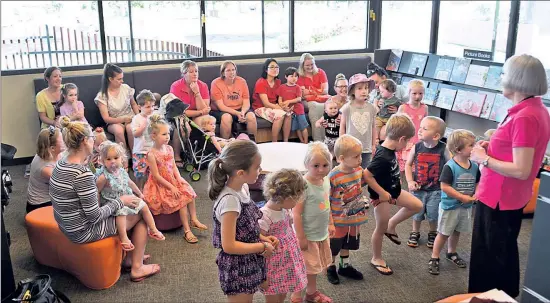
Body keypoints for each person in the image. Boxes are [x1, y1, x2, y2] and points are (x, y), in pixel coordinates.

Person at [468, 54, 550, 297]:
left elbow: (522, 169)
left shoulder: (525, 116)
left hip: (500, 199)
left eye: (504, 73)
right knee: (502, 255)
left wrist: (485, 159)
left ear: (517, 79)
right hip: (505, 196)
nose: (501, 78)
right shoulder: (532, 109)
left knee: (489, 262)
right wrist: (491, 147)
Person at [49, 116, 160, 282]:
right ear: (85, 141)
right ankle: (136, 267)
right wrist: (121, 201)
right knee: (141, 212)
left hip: (66, 224)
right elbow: (93, 216)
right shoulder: (81, 173)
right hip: (82, 231)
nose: (94, 141)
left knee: (130, 207)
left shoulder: (62, 162)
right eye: (92, 138)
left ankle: (129, 259)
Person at [207, 140, 278, 303]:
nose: (260, 171)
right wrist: (262, 247)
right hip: (237, 266)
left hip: (249, 257)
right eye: (257, 167)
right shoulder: (230, 201)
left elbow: (244, 230)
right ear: (240, 173)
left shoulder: (243, 188)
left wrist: (262, 238)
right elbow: (229, 245)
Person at [364, 114, 423, 275]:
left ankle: (392, 225)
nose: (408, 145)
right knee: (380, 228)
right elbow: (366, 175)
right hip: (382, 197)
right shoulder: (383, 155)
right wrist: (382, 193)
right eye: (408, 141)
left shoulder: (390, 150)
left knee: (417, 205)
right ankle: (376, 258)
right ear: (401, 139)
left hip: (394, 191)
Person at [142, 114, 207, 244]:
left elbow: (174, 167)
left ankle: (193, 219)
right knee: (181, 200)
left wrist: (179, 180)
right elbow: (156, 176)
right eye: (163, 134)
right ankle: (187, 231)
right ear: (153, 136)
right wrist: (171, 186)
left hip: (172, 179)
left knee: (189, 191)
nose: (167, 137)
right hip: (160, 184)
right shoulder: (151, 154)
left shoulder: (170, 149)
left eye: (168, 134)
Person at [96, 141, 165, 251]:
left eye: (116, 158)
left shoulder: (122, 171)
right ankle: (124, 238)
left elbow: (130, 183)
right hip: (113, 202)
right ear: (103, 161)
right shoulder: (103, 177)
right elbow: (97, 192)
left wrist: (140, 193)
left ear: (121, 159)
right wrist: (98, 207)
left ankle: (153, 229)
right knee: (121, 213)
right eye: (108, 159)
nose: (112, 161)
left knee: (144, 206)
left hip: (127, 197)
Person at [429, 129, 479, 275]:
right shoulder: (450, 166)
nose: (474, 148)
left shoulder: (474, 166)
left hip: (466, 207)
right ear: (458, 150)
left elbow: (478, 182)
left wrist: (476, 193)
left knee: (456, 231)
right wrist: (461, 197)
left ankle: (451, 252)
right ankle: (434, 257)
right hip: (450, 207)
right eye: (471, 145)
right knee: (444, 232)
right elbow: (444, 186)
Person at [292, 142, 334, 303]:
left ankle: (311, 292)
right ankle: (296, 296)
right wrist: (301, 237)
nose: (322, 169)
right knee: (303, 268)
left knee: (313, 267)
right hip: (307, 235)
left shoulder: (325, 180)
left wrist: (330, 222)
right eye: (316, 165)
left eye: (325, 165)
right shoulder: (303, 185)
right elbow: (296, 213)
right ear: (306, 164)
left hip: (320, 233)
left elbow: (326, 203)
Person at [259, 169, 308, 303]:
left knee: (282, 294)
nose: (298, 202)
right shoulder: (264, 215)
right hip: (272, 267)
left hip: (287, 262)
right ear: (286, 197)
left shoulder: (284, 209)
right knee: (273, 297)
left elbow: (289, 226)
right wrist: (262, 275)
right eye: (297, 198)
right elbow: (259, 242)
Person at [326, 135, 368, 285]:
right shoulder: (333, 176)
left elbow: (360, 184)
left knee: (348, 243)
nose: (360, 159)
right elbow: (326, 200)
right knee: (334, 245)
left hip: (353, 217)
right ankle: (330, 266)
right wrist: (329, 220)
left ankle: (344, 266)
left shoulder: (358, 170)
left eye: (361, 155)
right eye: (356, 156)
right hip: (338, 219)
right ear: (342, 158)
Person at [405, 116, 450, 248]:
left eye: (424, 129)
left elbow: (451, 164)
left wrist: (447, 183)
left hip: (436, 190)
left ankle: (432, 232)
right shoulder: (417, 147)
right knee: (416, 213)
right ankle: (415, 232)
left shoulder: (443, 148)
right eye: (420, 127)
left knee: (433, 214)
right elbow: (408, 165)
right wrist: (409, 181)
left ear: (436, 136)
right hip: (418, 188)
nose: (419, 131)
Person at [170, 60, 211, 166]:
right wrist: (201, 112)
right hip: (179, 115)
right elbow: (179, 111)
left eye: (196, 71)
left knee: (204, 123)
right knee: (183, 127)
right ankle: (177, 155)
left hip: (197, 114)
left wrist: (197, 92)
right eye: (191, 72)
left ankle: (197, 154)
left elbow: (205, 109)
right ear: (184, 74)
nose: (195, 74)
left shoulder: (203, 86)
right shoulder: (176, 86)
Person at [95, 63, 139, 151]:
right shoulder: (102, 96)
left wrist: (138, 117)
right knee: (118, 131)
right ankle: (123, 158)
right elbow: (106, 118)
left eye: (122, 78)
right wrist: (122, 119)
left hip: (129, 117)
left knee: (131, 129)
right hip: (113, 121)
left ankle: (136, 155)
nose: (122, 81)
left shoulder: (126, 88)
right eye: (119, 79)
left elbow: (133, 104)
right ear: (110, 79)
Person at [210, 61, 257, 141]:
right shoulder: (216, 83)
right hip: (221, 110)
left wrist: (242, 112)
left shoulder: (242, 81)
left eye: (233, 70)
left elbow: (246, 101)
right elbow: (221, 106)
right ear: (223, 73)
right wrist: (237, 113)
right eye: (228, 70)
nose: (231, 72)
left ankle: (253, 144)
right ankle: (225, 146)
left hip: (239, 109)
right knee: (226, 118)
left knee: (251, 117)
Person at [339, 73, 377, 169]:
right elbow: (342, 127)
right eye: (359, 88)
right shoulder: (347, 108)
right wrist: (342, 145)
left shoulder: (371, 108)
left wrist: (373, 144)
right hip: (351, 148)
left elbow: (373, 127)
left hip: (366, 148)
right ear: (352, 91)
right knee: (350, 170)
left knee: (365, 171)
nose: (364, 91)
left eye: (366, 88)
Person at [397, 80, 428, 188]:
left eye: (420, 93)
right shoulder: (403, 108)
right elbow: (397, 125)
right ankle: (403, 190)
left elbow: (426, 124)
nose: (417, 96)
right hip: (406, 143)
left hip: (419, 143)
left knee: (417, 170)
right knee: (403, 169)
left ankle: (415, 191)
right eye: (414, 93)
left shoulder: (424, 108)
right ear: (409, 93)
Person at [252, 58, 292, 142]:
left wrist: (284, 106)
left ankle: (286, 141)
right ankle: (274, 142)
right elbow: (266, 103)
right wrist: (280, 108)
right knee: (279, 116)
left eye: (277, 67)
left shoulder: (278, 82)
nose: (275, 69)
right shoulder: (261, 83)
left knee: (288, 114)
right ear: (266, 70)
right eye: (272, 67)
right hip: (260, 107)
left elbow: (280, 98)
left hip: (274, 106)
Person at [26, 126, 64, 213]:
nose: (65, 142)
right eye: (62, 141)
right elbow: (67, 184)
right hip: (39, 206)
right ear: (52, 148)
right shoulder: (46, 169)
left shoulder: (49, 152)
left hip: (51, 197)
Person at [297, 53, 331, 142]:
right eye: (307, 65)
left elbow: (325, 91)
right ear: (302, 65)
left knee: (326, 106)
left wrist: (310, 91)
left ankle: (328, 139)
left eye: (312, 64)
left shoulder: (321, 72)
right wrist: (318, 91)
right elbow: (303, 95)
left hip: (321, 99)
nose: (310, 67)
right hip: (307, 102)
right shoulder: (300, 76)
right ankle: (318, 140)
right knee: (315, 106)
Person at [131, 89, 156, 190]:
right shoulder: (137, 118)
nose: (151, 109)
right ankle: (139, 191)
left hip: (152, 151)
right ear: (139, 107)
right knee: (140, 174)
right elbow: (135, 134)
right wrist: (143, 126)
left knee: (153, 174)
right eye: (148, 107)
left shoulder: (154, 116)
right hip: (140, 152)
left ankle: (150, 192)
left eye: (153, 106)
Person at [279, 67, 308, 144]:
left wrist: (289, 101)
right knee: (297, 128)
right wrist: (282, 106)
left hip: (299, 110)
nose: (294, 78)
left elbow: (299, 99)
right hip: (290, 110)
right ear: (286, 77)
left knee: (303, 127)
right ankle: (301, 141)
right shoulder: (282, 87)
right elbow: (280, 98)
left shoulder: (297, 87)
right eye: (291, 76)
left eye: (296, 76)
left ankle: (306, 142)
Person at [375, 79, 401, 144]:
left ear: (390, 91)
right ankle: (375, 139)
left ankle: (383, 143)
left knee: (386, 131)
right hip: (380, 117)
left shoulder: (396, 100)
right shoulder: (381, 97)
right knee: (376, 126)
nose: (381, 93)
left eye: (382, 91)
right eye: (380, 91)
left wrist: (397, 111)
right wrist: (376, 105)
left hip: (389, 119)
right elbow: (375, 99)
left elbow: (401, 108)